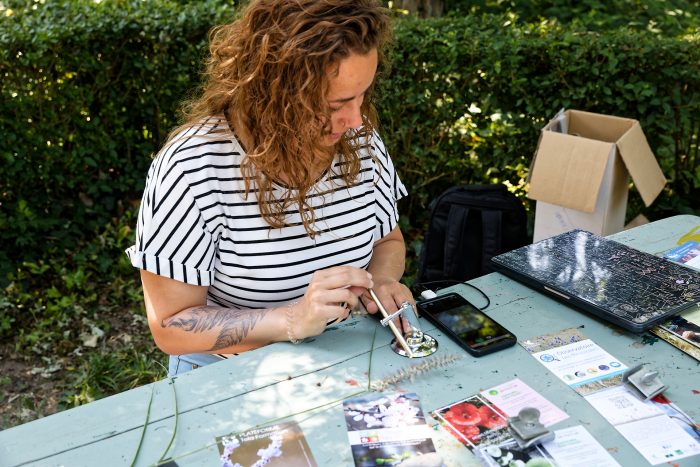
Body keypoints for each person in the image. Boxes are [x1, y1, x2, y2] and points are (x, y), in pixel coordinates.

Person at [126, 0, 413, 376]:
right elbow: (171, 327)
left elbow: (387, 242)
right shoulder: (193, 167)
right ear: (272, 92)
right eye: (334, 104)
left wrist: (384, 281)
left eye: (362, 95)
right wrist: (291, 321)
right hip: (231, 377)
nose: (356, 121)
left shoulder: (360, 144)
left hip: (348, 365)